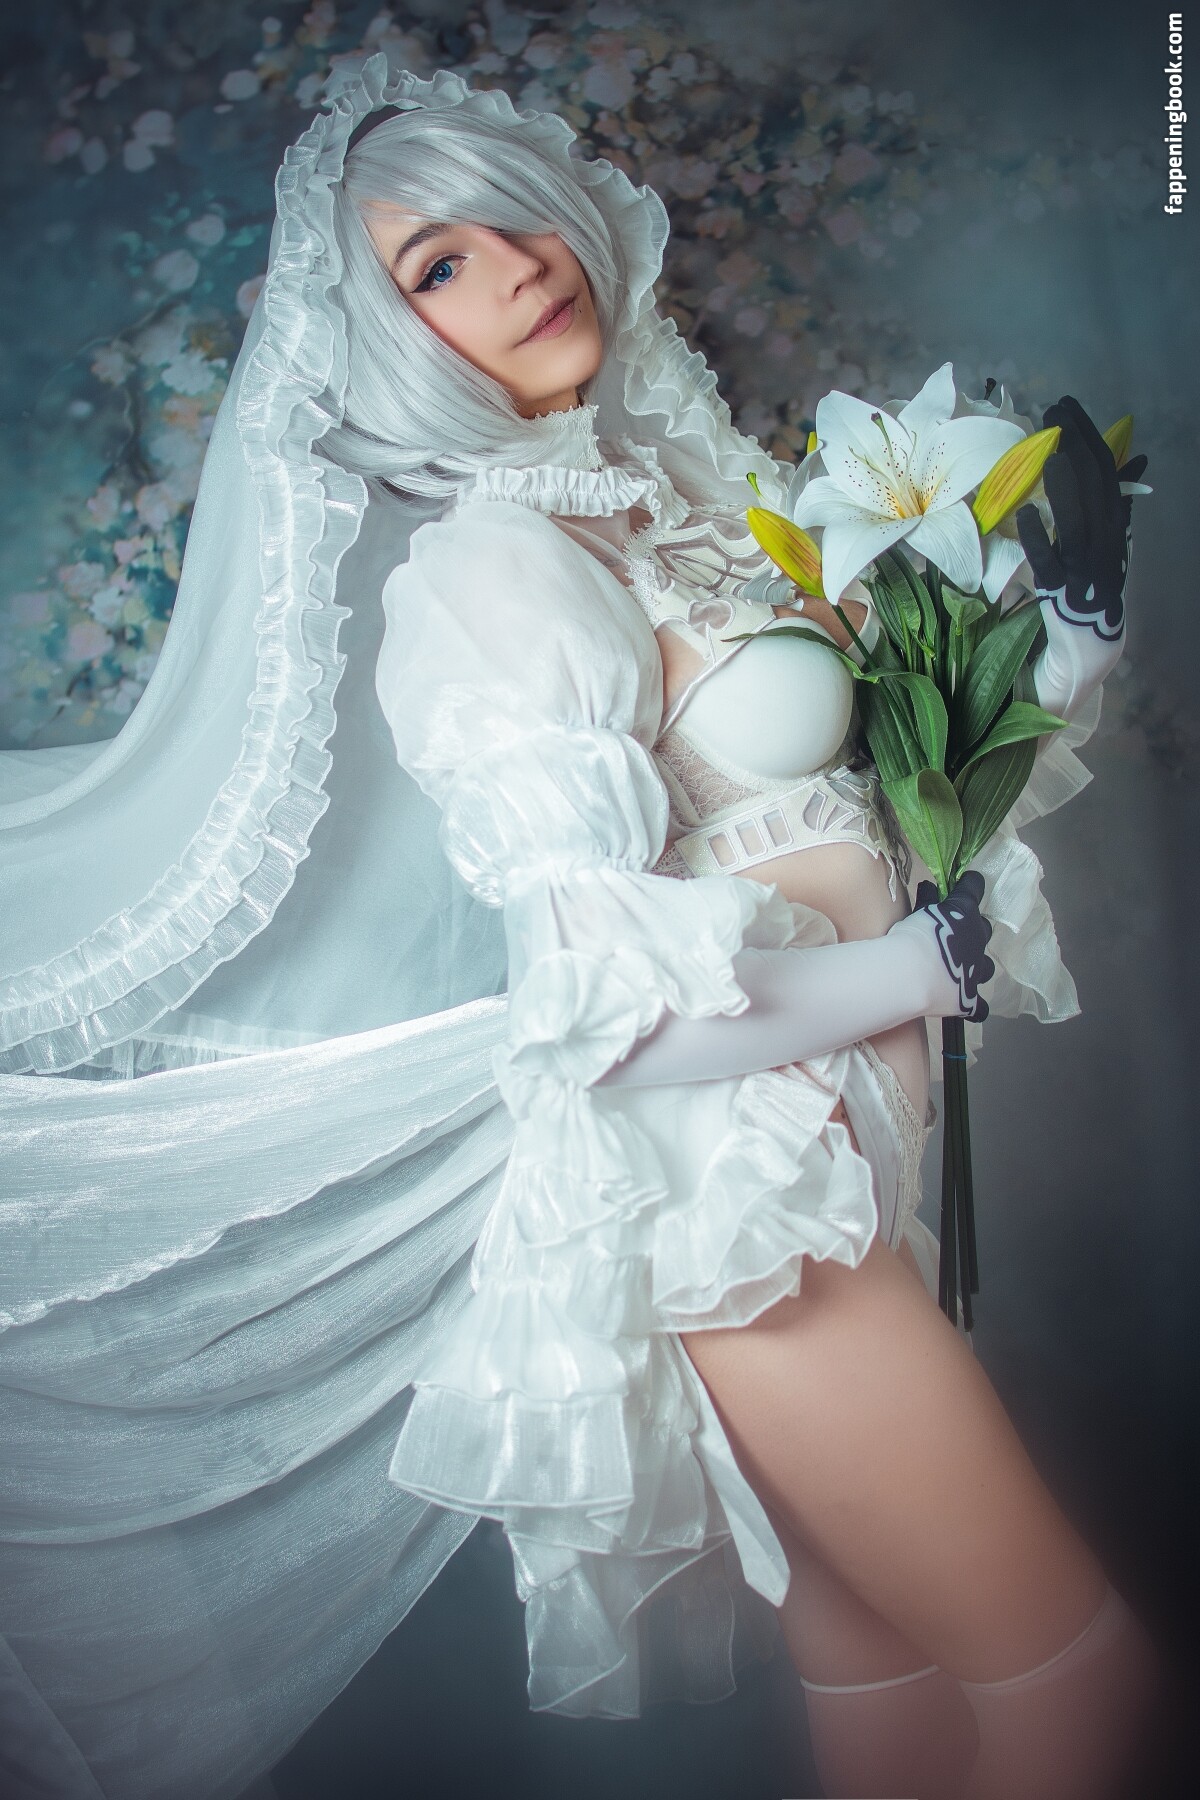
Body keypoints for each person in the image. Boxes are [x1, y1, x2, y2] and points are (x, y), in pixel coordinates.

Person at [0, 57, 1158, 1800]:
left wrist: (1064, 639)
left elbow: (897, 792)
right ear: (385, 343)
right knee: (1080, 1683)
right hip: (746, 1212)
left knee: (896, 1693)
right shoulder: (493, 577)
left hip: (841, 1161)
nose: (516, 263)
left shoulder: (661, 504)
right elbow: (609, 1019)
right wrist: (909, 971)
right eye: (436, 265)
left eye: (511, 220)